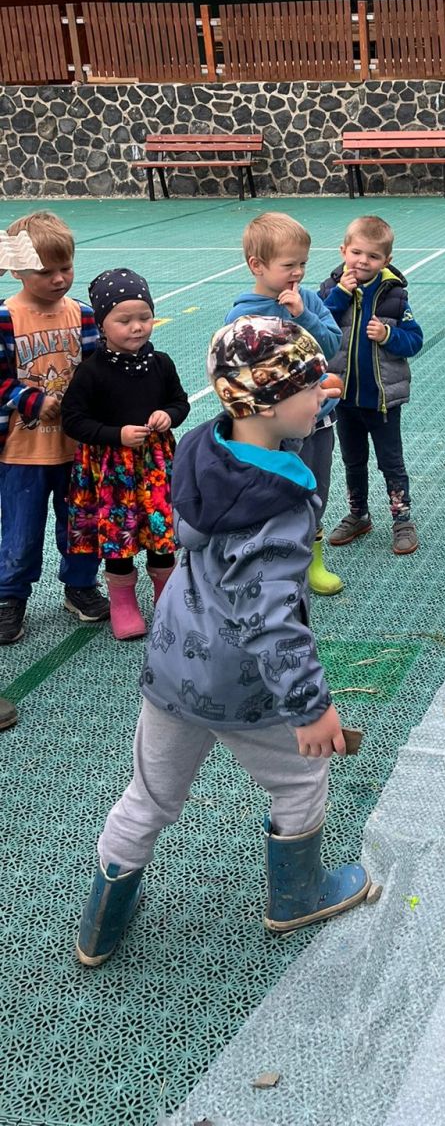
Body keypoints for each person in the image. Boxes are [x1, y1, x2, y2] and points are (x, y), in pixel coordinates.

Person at [75, 316, 371, 968]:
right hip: (242, 682)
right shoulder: (280, 501)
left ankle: (100, 925)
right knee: (302, 778)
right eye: (308, 384)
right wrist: (311, 707)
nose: (323, 391)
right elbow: (271, 619)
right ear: (265, 403)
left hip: (173, 663)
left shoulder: (200, 449)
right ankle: (296, 897)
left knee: (148, 797)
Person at [60, 269, 190, 640]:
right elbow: (74, 420)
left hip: (154, 466)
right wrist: (115, 435)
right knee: (119, 540)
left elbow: (179, 402)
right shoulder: (91, 372)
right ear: (101, 324)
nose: (137, 327)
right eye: (124, 320)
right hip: (111, 471)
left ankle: (167, 599)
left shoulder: (160, 363)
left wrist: (168, 415)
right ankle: (123, 603)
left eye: (144, 317)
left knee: (161, 535)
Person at [0, 212, 106, 645]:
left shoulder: (83, 315)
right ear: (16, 270)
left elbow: (99, 372)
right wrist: (32, 400)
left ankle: (80, 585)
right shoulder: (5, 318)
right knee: (21, 533)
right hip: (20, 453)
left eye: (66, 268)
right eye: (46, 272)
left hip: (76, 449)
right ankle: (9, 597)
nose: (59, 279)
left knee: (81, 525)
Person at [225, 212, 345, 596]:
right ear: (256, 266)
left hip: (317, 419)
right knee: (275, 490)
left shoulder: (307, 300)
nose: (298, 273)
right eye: (288, 265)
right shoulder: (243, 315)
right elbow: (237, 372)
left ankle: (312, 559)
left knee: (315, 487)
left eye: (303, 264)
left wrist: (302, 315)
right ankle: (275, 560)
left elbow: (331, 345)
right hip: (272, 429)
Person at [319, 215, 423, 556]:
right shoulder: (330, 289)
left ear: (386, 260)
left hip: (381, 400)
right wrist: (340, 295)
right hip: (344, 398)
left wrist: (388, 334)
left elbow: (414, 340)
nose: (363, 261)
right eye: (357, 253)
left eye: (373, 256)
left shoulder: (394, 296)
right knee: (352, 460)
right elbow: (316, 326)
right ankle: (358, 514)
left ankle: (402, 519)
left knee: (391, 462)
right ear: (343, 251)